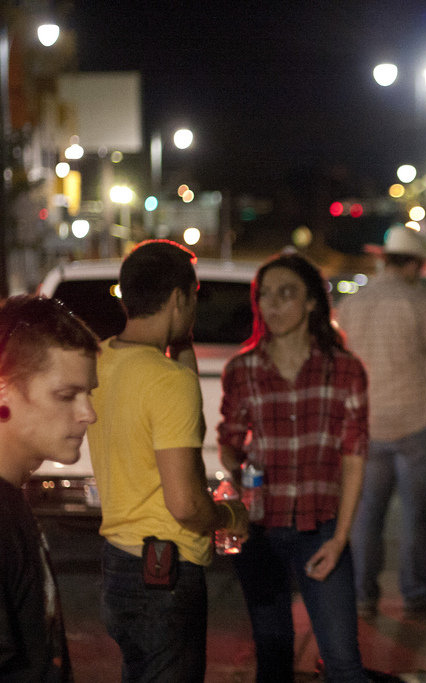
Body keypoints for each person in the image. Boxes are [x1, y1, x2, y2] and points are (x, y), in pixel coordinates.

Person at [88, 240, 249, 681]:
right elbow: (185, 505)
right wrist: (230, 515)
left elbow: (178, 389)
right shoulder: (167, 382)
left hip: (119, 565)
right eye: (193, 298)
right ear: (180, 297)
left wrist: (182, 338)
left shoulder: (100, 359)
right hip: (165, 572)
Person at [218, 252, 368, 682]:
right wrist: (241, 472)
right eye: (265, 295)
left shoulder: (344, 370)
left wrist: (340, 538)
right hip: (260, 533)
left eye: (287, 294)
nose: (274, 305)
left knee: (342, 661)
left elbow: (355, 456)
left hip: (320, 530)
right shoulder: (243, 369)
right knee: (273, 661)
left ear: (312, 303)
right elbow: (229, 443)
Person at [336, 226, 426, 619]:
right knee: (415, 515)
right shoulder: (417, 301)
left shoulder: (352, 304)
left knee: (366, 515)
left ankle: (362, 593)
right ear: (413, 265)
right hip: (414, 420)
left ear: (384, 259)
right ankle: (415, 592)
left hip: (368, 423)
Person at [0, 296, 99, 681]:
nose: (88, 413)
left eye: (89, 392)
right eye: (66, 395)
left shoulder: (13, 498)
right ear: (4, 392)